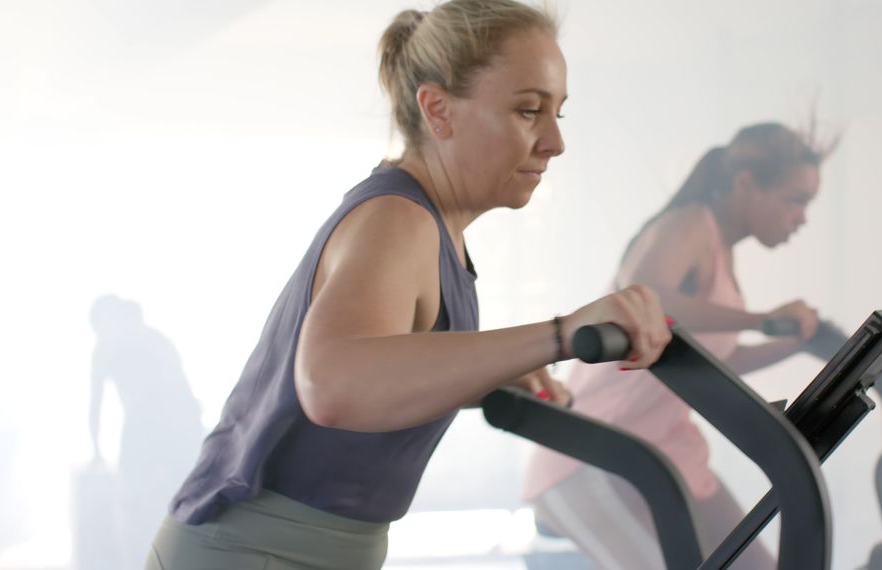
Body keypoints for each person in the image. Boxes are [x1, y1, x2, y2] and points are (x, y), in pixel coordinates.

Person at [144, 2, 672, 569]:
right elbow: (333, 385)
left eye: (557, 115)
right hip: (254, 550)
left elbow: (382, 375)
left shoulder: (435, 227)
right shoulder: (398, 218)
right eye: (527, 111)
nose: (553, 142)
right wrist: (560, 334)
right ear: (437, 109)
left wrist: (489, 374)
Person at [522, 122, 836, 570]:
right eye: (795, 200)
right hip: (594, 455)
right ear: (746, 185)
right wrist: (763, 321)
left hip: (664, 451)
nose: (802, 217)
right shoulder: (690, 224)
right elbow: (646, 296)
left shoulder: (722, 253)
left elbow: (715, 361)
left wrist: (796, 342)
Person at [87, 295, 204, 570]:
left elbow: (181, 392)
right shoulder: (119, 346)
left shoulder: (147, 342)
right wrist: (96, 449)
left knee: (163, 505)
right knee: (141, 506)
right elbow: (95, 402)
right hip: (153, 429)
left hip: (166, 428)